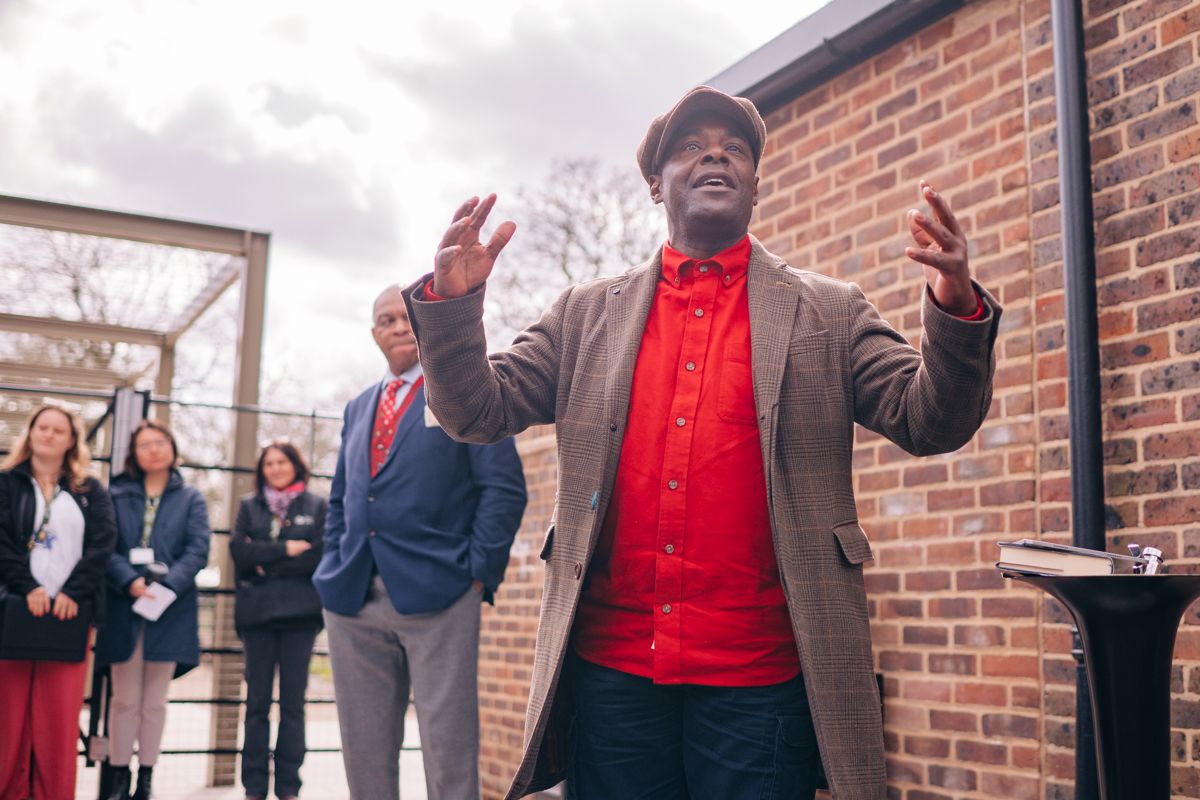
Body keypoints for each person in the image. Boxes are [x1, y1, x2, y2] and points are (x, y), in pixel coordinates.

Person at [403, 86, 1002, 800]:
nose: (715, 153)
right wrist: (453, 308)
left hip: (763, 682)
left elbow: (931, 419)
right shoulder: (585, 314)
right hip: (613, 678)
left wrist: (955, 308)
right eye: (690, 146)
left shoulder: (830, 311)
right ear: (655, 185)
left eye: (735, 148)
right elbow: (476, 412)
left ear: (755, 184)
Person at [312, 285, 528, 800]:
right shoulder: (358, 406)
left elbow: (503, 489)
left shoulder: (466, 390)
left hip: (442, 593)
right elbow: (342, 495)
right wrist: (332, 560)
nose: (398, 327)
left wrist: (477, 574)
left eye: (408, 317)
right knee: (363, 750)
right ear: (374, 334)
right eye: (386, 320)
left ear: (425, 325)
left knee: (448, 750)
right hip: (352, 597)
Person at [0, 405, 118, 800]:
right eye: (42, 427)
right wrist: (27, 586)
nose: (49, 435)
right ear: (30, 433)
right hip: (13, 609)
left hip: (69, 613)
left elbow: (103, 544)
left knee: (57, 718)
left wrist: (73, 591)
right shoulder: (6, 483)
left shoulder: (90, 489)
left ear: (72, 440)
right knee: (8, 715)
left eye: (59, 430)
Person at [95, 419, 212, 800]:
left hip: (170, 610)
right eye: (144, 444)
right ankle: (117, 778)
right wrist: (130, 583)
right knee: (124, 698)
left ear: (173, 448)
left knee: (154, 701)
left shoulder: (191, 496)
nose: (154, 449)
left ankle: (146, 777)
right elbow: (104, 546)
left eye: (160, 442)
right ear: (134, 453)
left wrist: (165, 588)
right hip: (124, 605)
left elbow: (197, 550)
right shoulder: (115, 495)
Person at [230, 439, 326, 800]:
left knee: (292, 705)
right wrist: (285, 549)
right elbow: (239, 551)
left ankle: (288, 787)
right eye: (268, 463)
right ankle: (254, 787)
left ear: (296, 466)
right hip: (256, 618)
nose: (275, 469)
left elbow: (316, 557)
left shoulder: (317, 505)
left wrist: (264, 559)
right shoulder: (248, 506)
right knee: (256, 705)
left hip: (300, 617)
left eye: (281, 462)